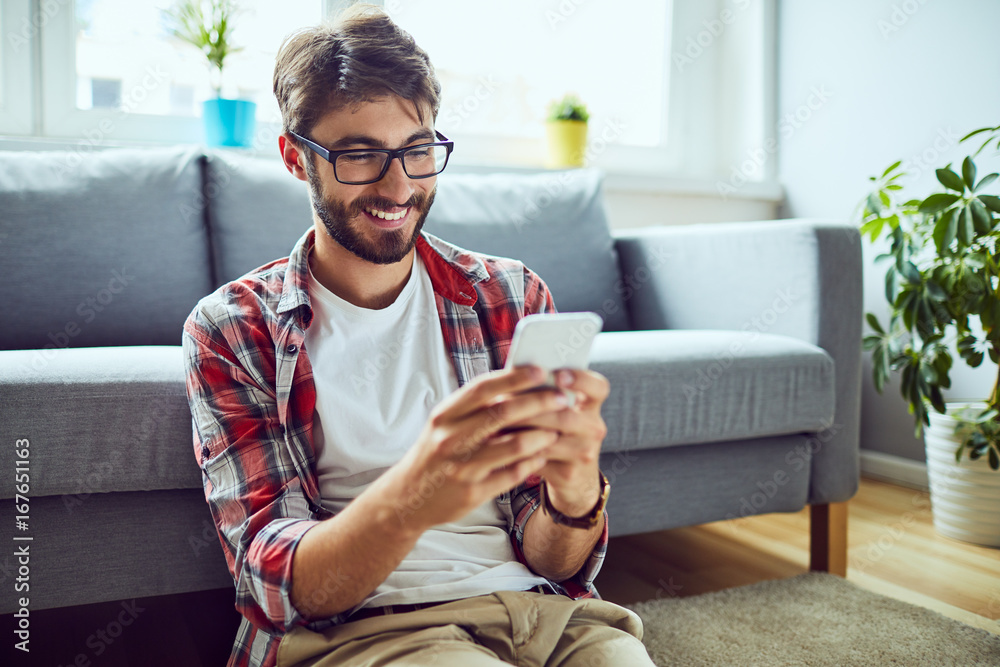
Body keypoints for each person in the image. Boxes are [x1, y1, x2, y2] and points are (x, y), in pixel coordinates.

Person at [182, 5, 656, 666]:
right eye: (359, 155)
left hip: (543, 610)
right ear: (295, 158)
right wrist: (417, 493)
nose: (399, 185)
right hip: (371, 628)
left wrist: (574, 493)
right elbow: (277, 585)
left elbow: (556, 559)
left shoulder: (511, 297)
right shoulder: (233, 328)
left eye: (417, 150)